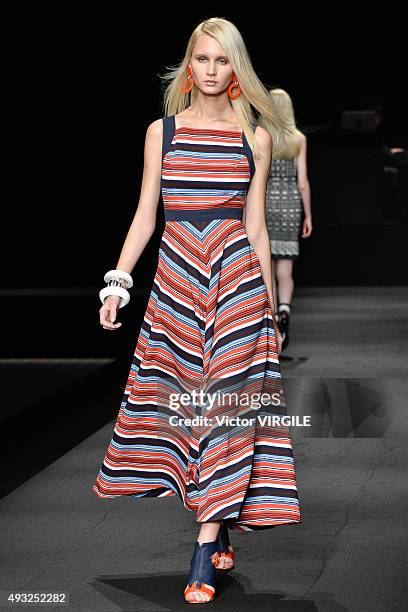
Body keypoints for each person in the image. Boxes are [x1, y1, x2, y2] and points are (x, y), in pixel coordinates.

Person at [92, 17, 302, 604]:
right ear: (190, 66)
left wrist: (268, 308)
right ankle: (223, 513)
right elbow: (144, 215)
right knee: (189, 412)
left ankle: (204, 546)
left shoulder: (254, 137)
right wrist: (117, 284)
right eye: (203, 60)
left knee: (226, 409)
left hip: (235, 284)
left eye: (223, 61)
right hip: (177, 285)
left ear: (237, 69)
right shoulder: (161, 132)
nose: (212, 71)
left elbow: (256, 228)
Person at [265, 88, 312, 351]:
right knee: (286, 269)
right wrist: (308, 215)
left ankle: (271, 318)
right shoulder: (298, 139)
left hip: (267, 203)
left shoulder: (263, 137)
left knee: (267, 266)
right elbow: (303, 182)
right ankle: (285, 311)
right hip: (290, 205)